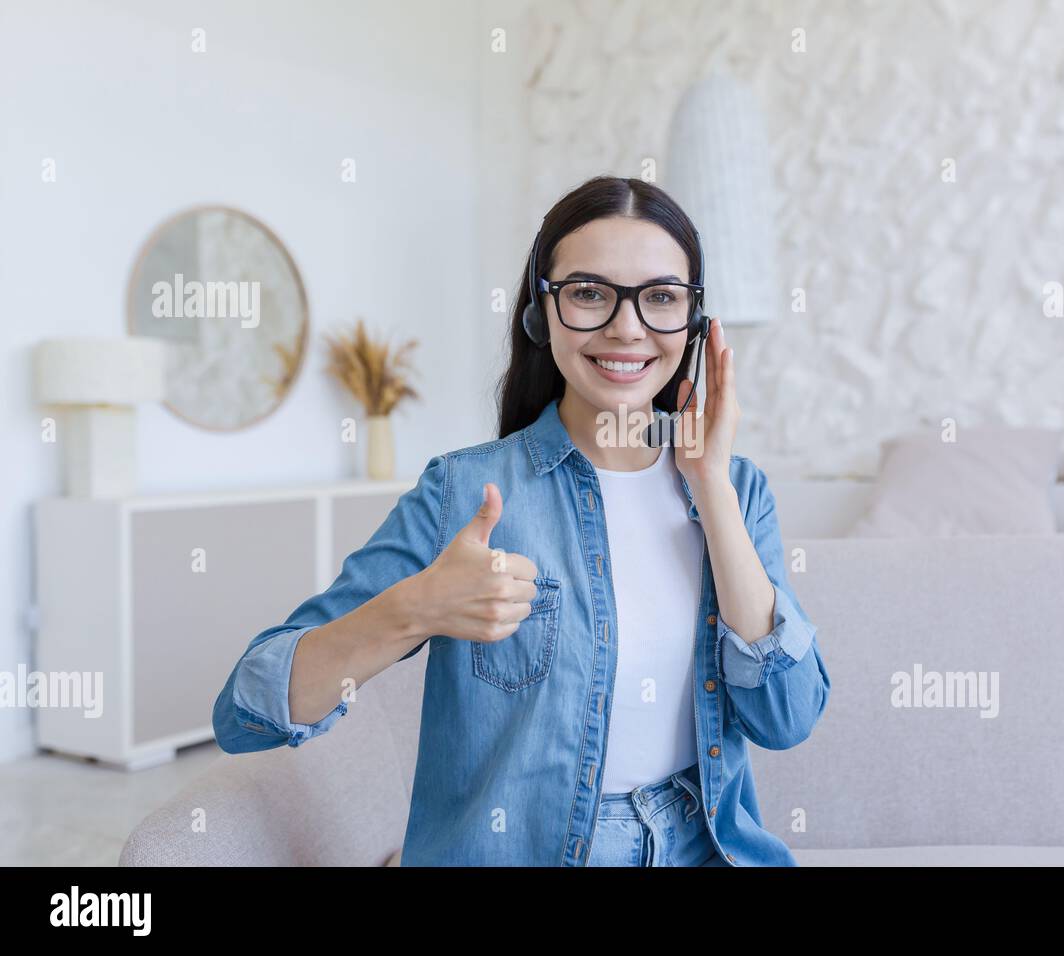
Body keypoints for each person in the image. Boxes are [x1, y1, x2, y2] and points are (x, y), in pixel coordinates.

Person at [212, 174, 831, 866]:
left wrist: (710, 487)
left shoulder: (739, 492)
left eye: (660, 298)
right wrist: (415, 609)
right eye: (590, 293)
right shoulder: (464, 492)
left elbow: (788, 716)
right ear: (542, 311)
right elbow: (246, 711)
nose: (627, 328)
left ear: (694, 320)